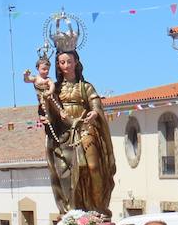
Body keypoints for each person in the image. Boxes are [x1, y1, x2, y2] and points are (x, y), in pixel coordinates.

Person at [32, 47, 116, 215]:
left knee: (92, 167)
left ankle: (97, 207)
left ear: (76, 63)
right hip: (64, 134)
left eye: (69, 61)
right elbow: (46, 108)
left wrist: (94, 113)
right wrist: (45, 116)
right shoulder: (54, 88)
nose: (66, 65)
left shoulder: (85, 87)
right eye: (62, 62)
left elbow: (95, 105)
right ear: (58, 65)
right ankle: (72, 211)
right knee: (66, 174)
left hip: (85, 128)